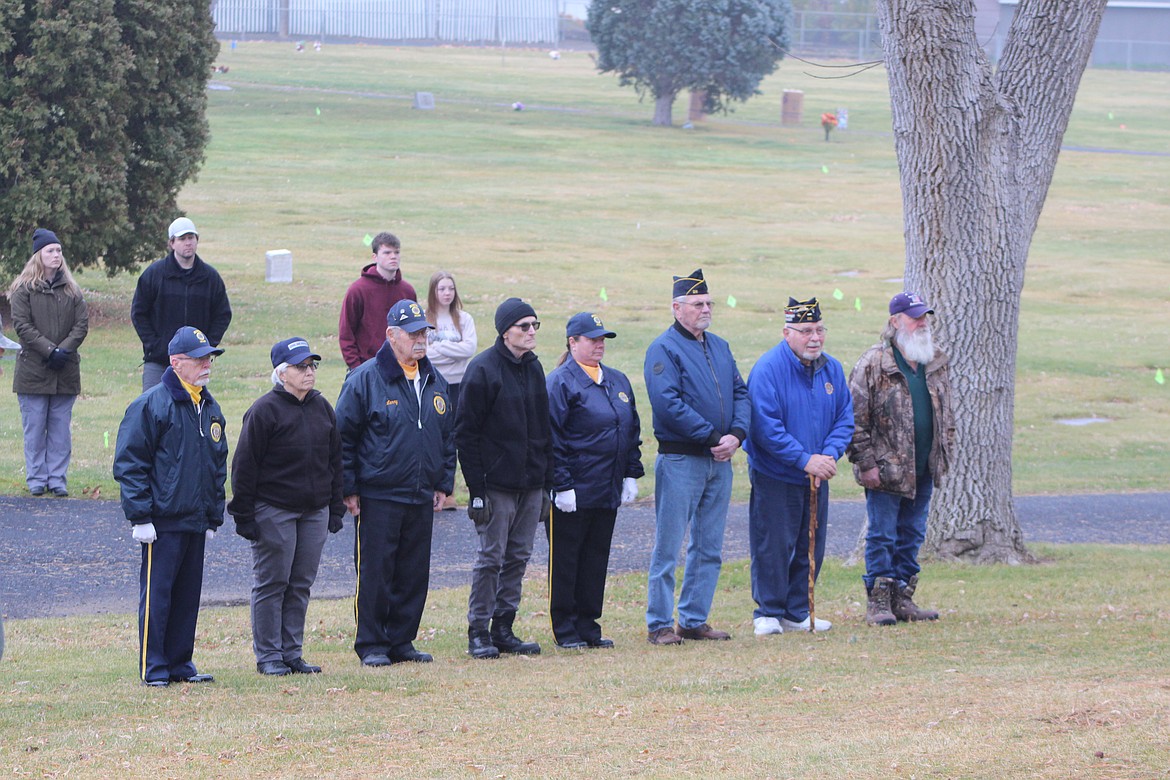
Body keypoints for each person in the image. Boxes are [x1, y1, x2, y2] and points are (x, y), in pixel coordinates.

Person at [335, 300, 455, 666]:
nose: (421, 340)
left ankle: (402, 640)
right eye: (413, 333)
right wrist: (349, 487)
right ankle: (371, 643)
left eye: (424, 333)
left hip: (420, 493)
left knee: (413, 570)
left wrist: (442, 482)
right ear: (391, 335)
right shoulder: (365, 379)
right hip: (378, 494)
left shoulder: (435, 381)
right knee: (375, 570)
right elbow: (343, 438)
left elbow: (446, 437)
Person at [113, 326, 228, 687]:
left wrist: (212, 513)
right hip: (162, 521)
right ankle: (155, 666)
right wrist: (140, 516)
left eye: (208, 357)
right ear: (176, 363)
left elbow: (217, 463)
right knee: (158, 596)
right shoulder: (151, 404)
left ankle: (180, 662)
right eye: (198, 359)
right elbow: (130, 463)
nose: (206, 364)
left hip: (194, 519)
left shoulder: (209, 406)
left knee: (187, 596)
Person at [643, 269, 750, 645]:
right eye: (697, 304)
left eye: (709, 303)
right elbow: (667, 403)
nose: (706, 309)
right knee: (669, 546)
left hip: (720, 461)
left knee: (709, 545)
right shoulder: (664, 349)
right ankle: (659, 623)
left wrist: (736, 435)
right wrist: (710, 437)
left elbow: (741, 393)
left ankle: (693, 618)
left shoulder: (719, 346)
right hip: (682, 461)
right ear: (677, 308)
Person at [228, 337, 346, 675]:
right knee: (272, 582)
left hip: (314, 511)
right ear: (282, 374)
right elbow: (245, 466)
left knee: (300, 583)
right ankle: (268, 656)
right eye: (300, 367)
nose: (309, 373)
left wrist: (334, 508)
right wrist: (244, 515)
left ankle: (291, 653)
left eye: (312, 366)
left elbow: (335, 460)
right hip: (274, 509)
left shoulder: (323, 408)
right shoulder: (264, 411)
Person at [744, 297, 854, 635]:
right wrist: (804, 459)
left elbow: (844, 418)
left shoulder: (831, 368)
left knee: (812, 543)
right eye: (806, 331)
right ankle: (768, 611)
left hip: (817, 475)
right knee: (774, 544)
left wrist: (829, 456)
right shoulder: (768, 369)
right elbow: (765, 427)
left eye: (819, 330)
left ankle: (796, 611)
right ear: (787, 332)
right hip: (777, 474)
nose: (814, 338)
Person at [847, 292, 954, 625]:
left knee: (913, 533)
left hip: (924, 465)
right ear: (895, 322)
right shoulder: (874, 363)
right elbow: (853, 419)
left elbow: (946, 412)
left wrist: (944, 449)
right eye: (914, 317)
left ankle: (903, 598)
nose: (922, 323)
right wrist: (866, 463)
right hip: (885, 470)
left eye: (925, 317)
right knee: (882, 534)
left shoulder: (935, 361)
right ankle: (878, 602)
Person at [456, 297, 552, 659]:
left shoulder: (534, 368)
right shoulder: (482, 369)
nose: (531, 332)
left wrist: (546, 483)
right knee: (491, 557)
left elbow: (545, 429)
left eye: (534, 326)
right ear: (505, 330)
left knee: (519, 557)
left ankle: (503, 626)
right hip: (495, 484)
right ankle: (478, 630)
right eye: (524, 326)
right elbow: (465, 433)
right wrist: (477, 490)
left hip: (530, 483)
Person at [546, 312, 644, 650]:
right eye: (592, 339)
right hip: (574, 488)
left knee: (595, 557)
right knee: (567, 558)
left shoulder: (617, 380)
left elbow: (632, 429)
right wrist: (562, 484)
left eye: (602, 338)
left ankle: (589, 624)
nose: (599, 344)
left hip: (607, 486)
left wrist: (631, 472)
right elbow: (553, 437)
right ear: (573, 343)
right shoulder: (561, 382)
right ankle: (566, 627)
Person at [8, 229, 89, 497]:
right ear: (38, 256)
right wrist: (49, 350)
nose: (56, 255)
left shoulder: (72, 290)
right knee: (34, 428)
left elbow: (81, 325)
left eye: (58, 251)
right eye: (50, 251)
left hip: (65, 370)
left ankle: (57, 478)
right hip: (33, 369)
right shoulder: (23, 289)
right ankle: (36, 478)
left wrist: (63, 351)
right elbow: (22, 325)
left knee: (59, 430)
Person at [131, 217, 232, 391]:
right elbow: (139, 313)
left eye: (191, 238)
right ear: (171, 243)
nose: (188, 243)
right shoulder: (154, 274)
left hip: (196, 362)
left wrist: (206, 345)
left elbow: (222, 314)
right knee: (153, 411)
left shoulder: (210, 277)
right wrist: (156, 345)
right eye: (182, 239)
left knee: (194, 411)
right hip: (159, 361)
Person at [425, 271, 478, 510]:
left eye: (450, 289)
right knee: (434, 435)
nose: (447, 293)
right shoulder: (426, 318)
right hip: (433, 383)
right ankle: (431, 488)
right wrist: (452, 349)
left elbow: (469, 349)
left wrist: (441, 346)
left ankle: (450, 492)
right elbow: (425, 352)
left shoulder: (464, 319)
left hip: (459, 384)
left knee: (455, 437)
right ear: (433, 292)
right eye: (442, 289)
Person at [338, 232, 417, 369]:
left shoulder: (407, 291)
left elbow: (414, 331)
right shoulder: (358, 290)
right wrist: (357, 368)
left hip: (402, 368)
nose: (393, 256)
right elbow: (346, 333)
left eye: (396, 252)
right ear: (375, 257)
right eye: (387, 253)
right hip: (366, 368)